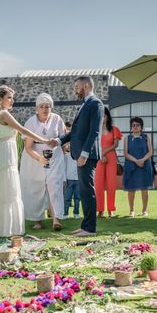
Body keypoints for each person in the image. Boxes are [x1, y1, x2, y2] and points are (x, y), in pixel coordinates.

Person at [0, 86, 55, 237]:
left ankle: (3, 227)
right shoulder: (4, 114)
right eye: (9, 97)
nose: (12, 101)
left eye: (12, 98)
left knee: (4, 189)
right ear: (1, 100)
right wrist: (43, 139)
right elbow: (23, 130)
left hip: (2, 150)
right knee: (9, 189)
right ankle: (9, 228)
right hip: (6, 151)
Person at [56, 76, 103, 237]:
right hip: (81, 155)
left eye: (77, 86)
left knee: (87, 190)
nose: (75, 89)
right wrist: (57, 141)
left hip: (87, 156)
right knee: (84, 191)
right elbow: (75, 132)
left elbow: (94, 132)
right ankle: (85, 226)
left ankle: (90, 228)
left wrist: (84, 154)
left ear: (86, 85)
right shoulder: (84, 105)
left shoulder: (96, 103)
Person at [19, 93, 66, 231]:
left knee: (54, 185)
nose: (45, 109)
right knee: (36, 187)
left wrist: (65, 147)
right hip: (35, 157)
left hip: (55, 156)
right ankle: (37, 219)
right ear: (37, 108)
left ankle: (56, 219)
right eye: (42, 107)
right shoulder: (31, 122)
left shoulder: (57, 119)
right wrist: (39, 158)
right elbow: (28, 147)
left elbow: (63, 138)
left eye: (47, 106)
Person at [122, 116, 154, 217]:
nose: (135, 127)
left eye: (137, 125)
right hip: (131, 166)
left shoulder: (146, 137)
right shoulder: (127, 138)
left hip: (145, 165)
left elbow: (150, 152)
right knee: (131, 190)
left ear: (141, 127)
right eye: (133, 125)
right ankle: (132, 211)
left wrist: (142, 160)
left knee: (144, 189)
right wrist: (136, 161)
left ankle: (144, 210)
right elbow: (126, 153)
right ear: (131, 127)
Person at [95, 107, 122, 218]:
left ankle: (111, 210)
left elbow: (115, 144)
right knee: (98, 184)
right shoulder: (95, 130)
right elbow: (94, 144)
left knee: (111, 184)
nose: (102, 118)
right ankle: (100, 210)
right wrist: (101, 155)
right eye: (100, 116)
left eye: (104, 115)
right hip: (98, 158)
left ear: (107, 116)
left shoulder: (114, 129)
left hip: (111, 157)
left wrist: (104, 152)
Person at [62, 121, 81, 219]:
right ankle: (65, 214)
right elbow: (64, 168)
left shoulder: (79, 156)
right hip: (69, 179)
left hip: (78, 179)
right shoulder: (66, 156)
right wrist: (64, 180)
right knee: (67, 198)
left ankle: (76, 213)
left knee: (77, 198)